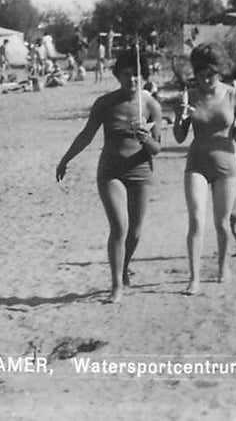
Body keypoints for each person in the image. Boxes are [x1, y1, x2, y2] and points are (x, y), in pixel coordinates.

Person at [56, 48, 163, 303]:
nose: (132, 80)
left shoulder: (151, 105)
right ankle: (116, 285)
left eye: (137, 75)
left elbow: (157, 148)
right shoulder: (105, 103)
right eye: (127, 75)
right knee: (119, 226)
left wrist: (146, 139)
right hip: (111, 172)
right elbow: (86, 135)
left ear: (144, 76)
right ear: (118, 76)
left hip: (141, 171)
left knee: (135, 232)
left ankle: (123, 266)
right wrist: (66, 159)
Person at [173, 44, 236, 295]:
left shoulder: (233, 94)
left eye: (210, 74)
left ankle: (223, 266)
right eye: (200, 74)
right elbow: (179, 137)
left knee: (222, 223)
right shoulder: (190, 95)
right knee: (196, 220)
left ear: (219, 72)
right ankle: (194, 277)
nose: (205, 79)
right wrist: (180, 116)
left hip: (226, 165)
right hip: (197, 163)